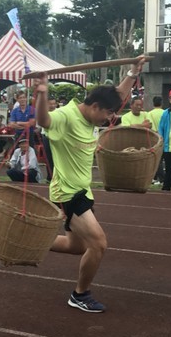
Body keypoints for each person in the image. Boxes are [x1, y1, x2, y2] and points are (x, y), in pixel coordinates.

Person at [34, 55, 146, 313]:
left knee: (77, 246)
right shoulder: (66, 116)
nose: (109, 119)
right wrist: (42, 93)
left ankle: (30, 240)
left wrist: (132, 72)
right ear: (95, 106)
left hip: (83, 190)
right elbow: (44, 121)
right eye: (107, 113)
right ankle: (80, 294)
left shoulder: (96, 112)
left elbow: (117, 94)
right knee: (99, 244)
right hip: (67, 192)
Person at [148, 96, 165, 184]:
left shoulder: (150, 114)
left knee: (156, 159)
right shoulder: (165, 113)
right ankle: (160, 178)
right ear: (161, 103)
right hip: (165, 138)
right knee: (161, 160)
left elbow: (151, 127)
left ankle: (156, 178)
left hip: (154, 138)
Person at [39, 96, 57, 182]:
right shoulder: (43, 113)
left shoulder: (59, 113)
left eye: (54, 103)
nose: (52, 105)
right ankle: (50, 177)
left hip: (57, 138)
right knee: (48, 158)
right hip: (46, 137)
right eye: (50, 104)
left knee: (57, 158)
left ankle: (57, 177)